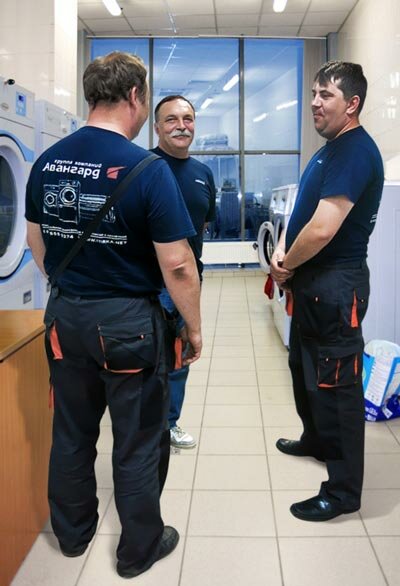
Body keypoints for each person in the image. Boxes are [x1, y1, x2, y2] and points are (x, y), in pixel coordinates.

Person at [25, 52, 202, 578]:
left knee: (71, 432)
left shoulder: (47, 162)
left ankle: (72, 535)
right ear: (135, 97)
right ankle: (137, 550)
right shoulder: (148, 169)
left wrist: (76, 285)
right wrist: (193, 328)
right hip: (127, 325)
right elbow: (178, 264)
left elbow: (36, 243)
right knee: (138, 440)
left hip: (65, 319)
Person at [270, 61, 384, 522]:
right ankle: (315, 439)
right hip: (311, 285)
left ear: (352, 104)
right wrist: (282, 252)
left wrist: (286, 265)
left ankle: (342, 493)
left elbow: (321, 229)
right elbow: (300, 211)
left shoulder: (355, 151)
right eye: (314, 93)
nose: (315, 102)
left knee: (335, 386)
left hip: (336, 286)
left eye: (326, 95)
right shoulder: (328, 150)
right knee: (303, 367)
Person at [152, 95, 216, 449]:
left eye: (188, 119)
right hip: (149, 283)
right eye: (171, 119)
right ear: (157, 127)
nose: (181, 126)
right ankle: (148, 427)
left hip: (189, 280)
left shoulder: (203, 174)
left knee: (181, 354)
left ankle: (169, 423)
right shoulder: (144, 167)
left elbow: (202, 225)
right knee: (149, 357)